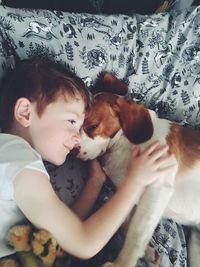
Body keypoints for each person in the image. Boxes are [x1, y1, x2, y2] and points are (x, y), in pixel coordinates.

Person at [0, 57, 178, 259]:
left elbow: (64, 232)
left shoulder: (17, 163)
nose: (78, 139)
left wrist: (95, 182)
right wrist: (135, 181)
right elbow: (83, 242)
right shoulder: (17, 157)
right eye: (71, 121)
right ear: (25, 112)